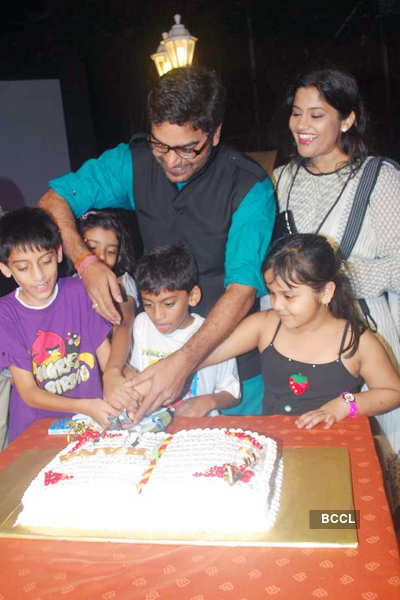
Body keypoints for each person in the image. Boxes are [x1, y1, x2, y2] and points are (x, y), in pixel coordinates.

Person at [38, 66, 276, 418]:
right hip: (154, 359)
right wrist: (86, 263)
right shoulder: (133, 162)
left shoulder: (249, 187)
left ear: (214, 133)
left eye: (187, 149)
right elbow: (53, 201)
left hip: (232, 372)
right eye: (160, 145)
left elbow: (241, 292)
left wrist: (182, 363)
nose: (171, 160)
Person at [272, 68, 400, 453]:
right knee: (312, 450)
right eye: (297, 113)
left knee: (378, 461)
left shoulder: (380, 178)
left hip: (363, 337)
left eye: (317, 114)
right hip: (299, 343)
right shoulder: (280, 180)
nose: (302, 125)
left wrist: (331, 280)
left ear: (347, 120)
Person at [191, 234, 400, 429]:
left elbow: (392, 392)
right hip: (275, 445)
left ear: (326, 292)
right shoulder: (266, 325)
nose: (277, 305)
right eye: (273, 294)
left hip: (332, 452)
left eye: (289, 296)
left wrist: (344, 406)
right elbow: (204, 354)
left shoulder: (356, 342)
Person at [0, 207, 121, 442]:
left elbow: (107, 357)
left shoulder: (78, 291)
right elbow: (29, 392)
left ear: (58, 253)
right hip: (35, 435)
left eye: (45, 261)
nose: (38, 276)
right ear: (5, 268)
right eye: (23, 268)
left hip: (89, 426)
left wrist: (122, 385)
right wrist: (87, 406)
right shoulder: (5, 315)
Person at [128, 244, 240, 417]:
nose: (158, 316)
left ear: (193, 296)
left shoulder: (213, 334)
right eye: (148, 305)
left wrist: (207, 402)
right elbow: (133, 373)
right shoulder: (142, 325)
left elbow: (232, 393)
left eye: (168, 304)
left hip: (200, 432)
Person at [76, 209, 139, 401]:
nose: (100, 258)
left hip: (114, 363)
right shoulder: (67, 285)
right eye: (92, 248)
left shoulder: (122, 283)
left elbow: (124, 323)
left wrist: (113, 370)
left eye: (110, 251)